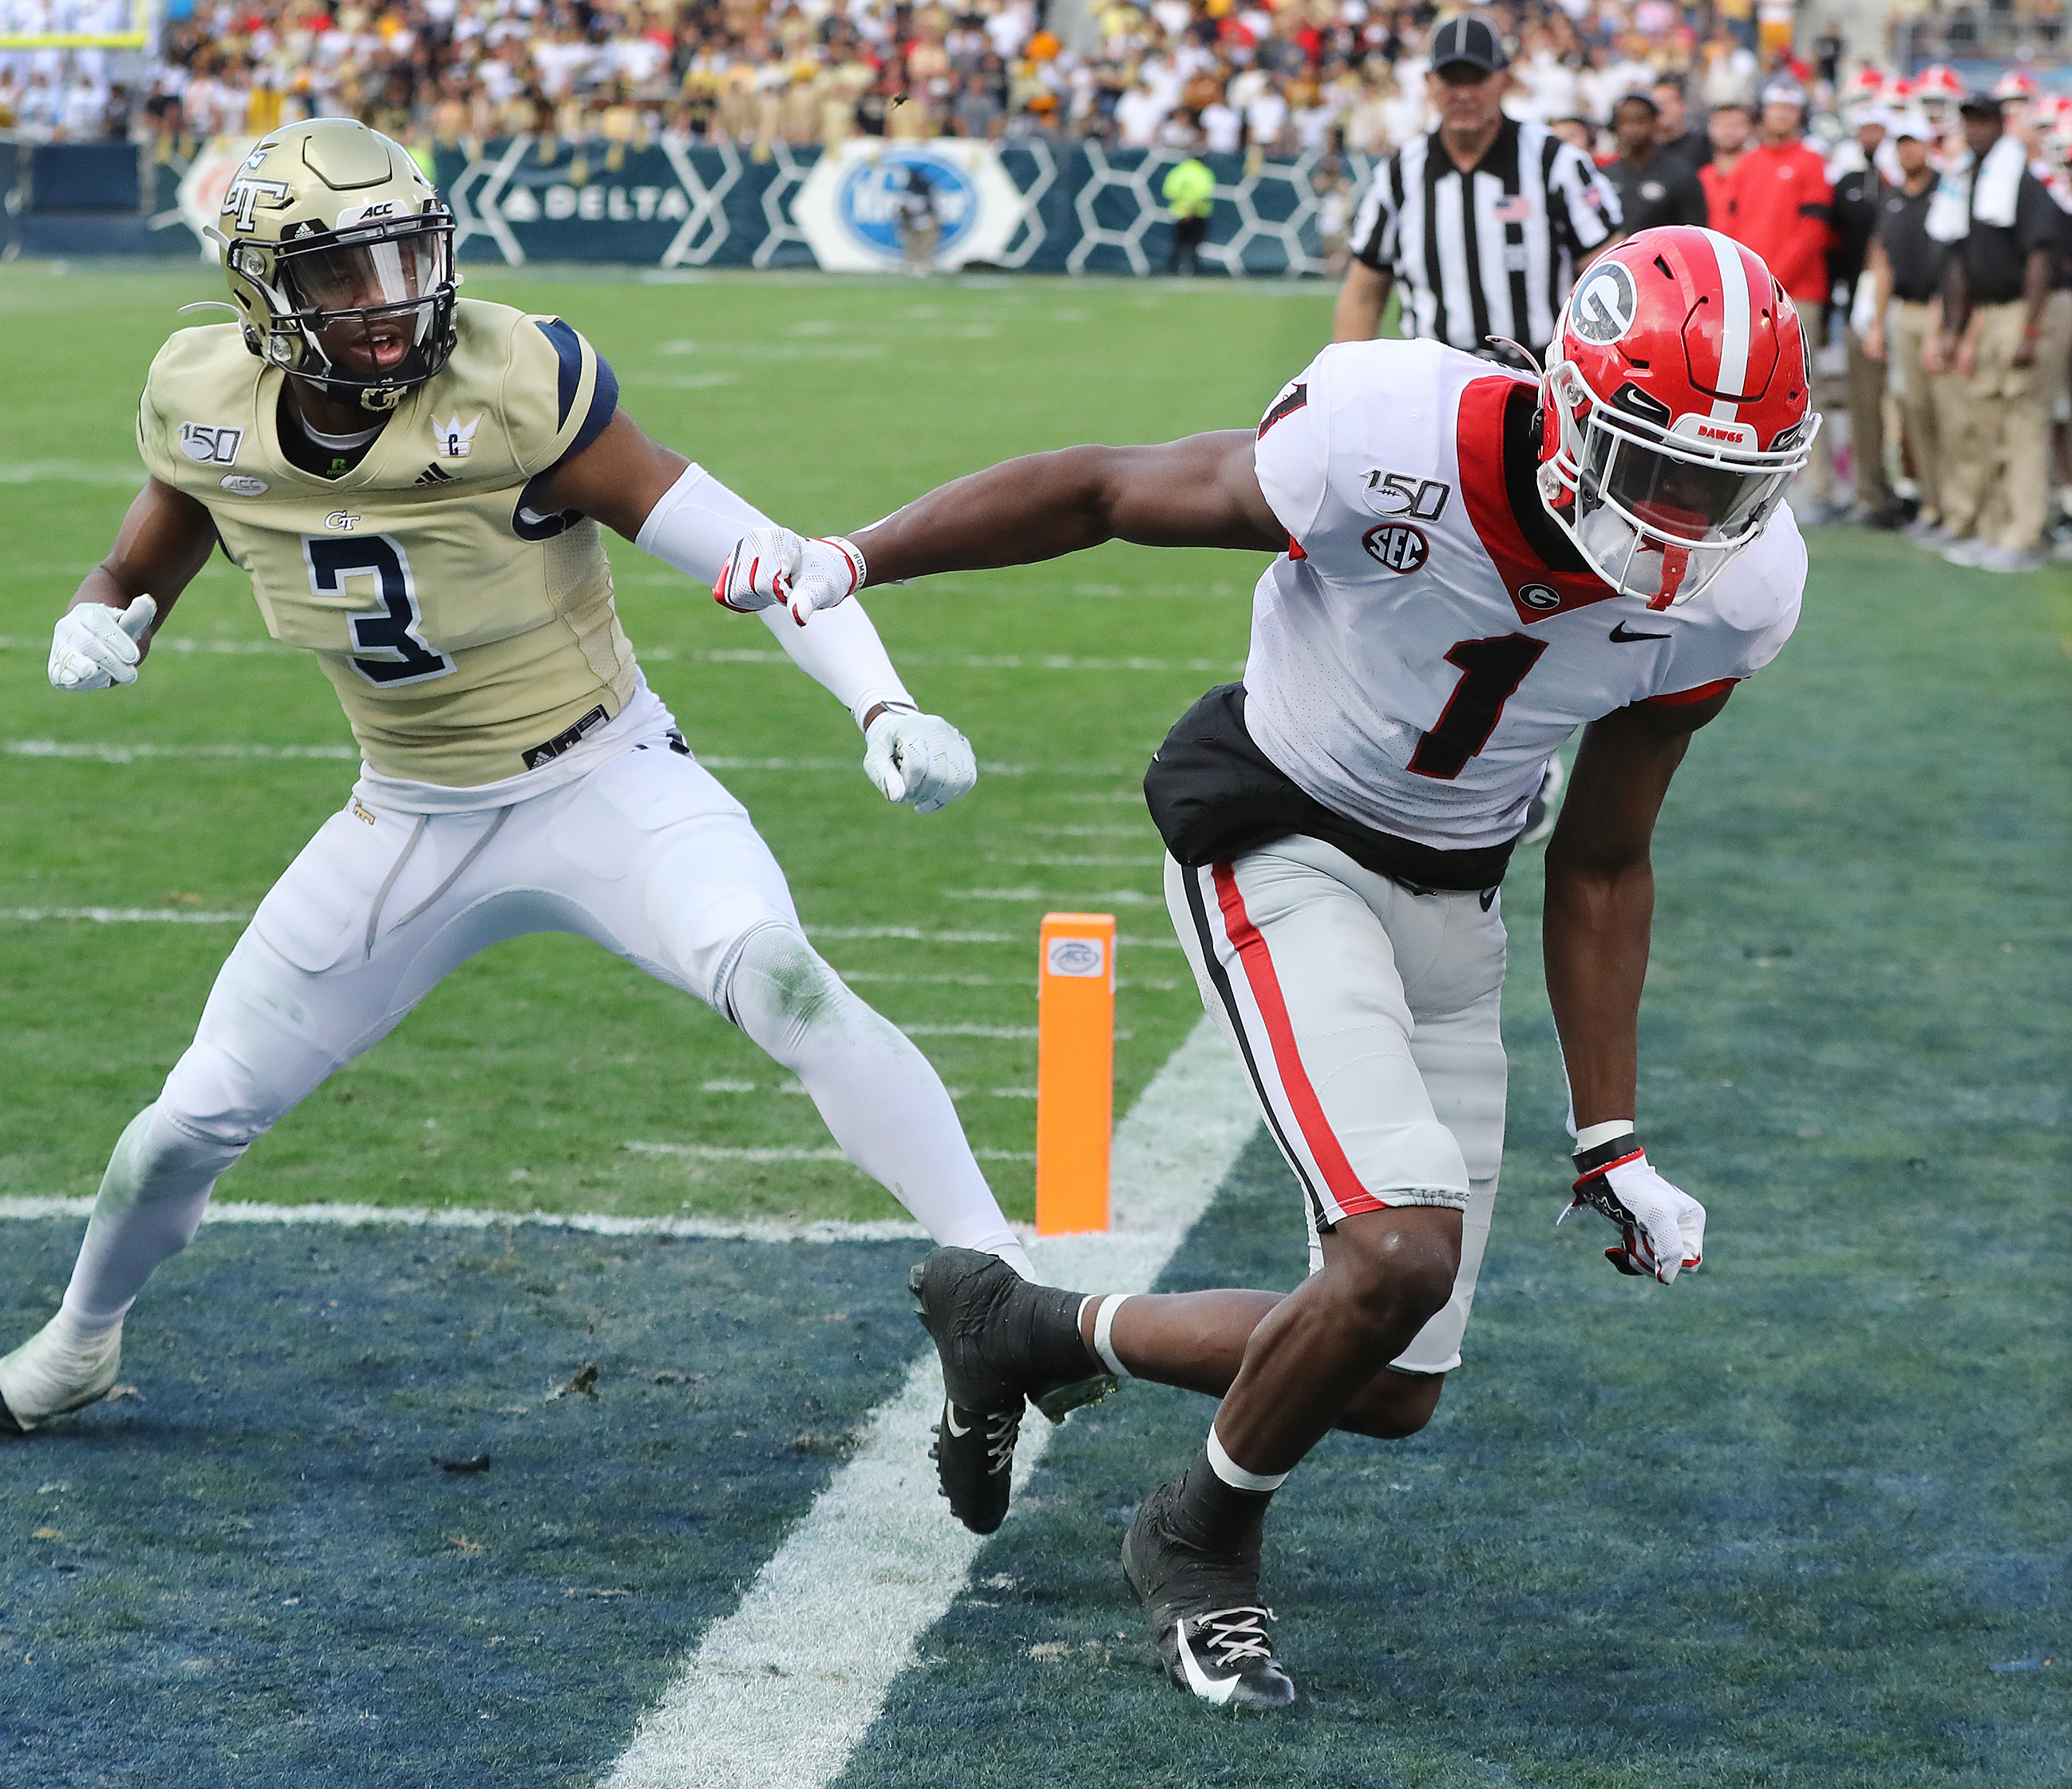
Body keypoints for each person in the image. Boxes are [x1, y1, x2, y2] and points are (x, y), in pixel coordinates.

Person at [725, 224, 1816, 1708]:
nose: (1692, 520)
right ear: (1568, 406)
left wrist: (1611, 1134)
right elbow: (1108, 488)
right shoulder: (1389, 436)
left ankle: (1023, 1326)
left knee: (1392, 1379)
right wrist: (852, 559)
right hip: (1276, 833)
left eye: (1731, 487)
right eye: (1664, 469)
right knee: (1396, 1252)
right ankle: (1198, 1537)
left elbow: (1608, 855)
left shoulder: (1736, 594)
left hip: (1456, 894)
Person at [0, 118, 1046, 1449]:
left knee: (778, 972)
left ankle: (1002, 1280)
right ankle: (75, 1345)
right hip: (408, 811)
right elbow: (145, 557)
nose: (389, 302)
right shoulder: (204, 401)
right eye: (342, 274)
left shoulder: (514, 386)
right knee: (183, 1124)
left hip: (604, 777)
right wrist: (103, 616)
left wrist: (882, 698)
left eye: (404, 258)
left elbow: (757, 557)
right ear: (265, 293)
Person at [1341, 14, 1623, 367]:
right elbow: (1364, 292)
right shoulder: (1400, 174)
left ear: (1505, 80)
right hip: (1434, 385)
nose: (1463, 93)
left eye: (1476, 78)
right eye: (1450, 79)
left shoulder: (1556, 163)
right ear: (1429, 83)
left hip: (1539, 382)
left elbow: (1613, 277)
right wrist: (1351, 378)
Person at [1932, 93, 2072, 572]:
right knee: (1990, 418)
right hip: (1992, 311)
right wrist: (1956, 326)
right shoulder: (1973, 179)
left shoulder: (2023, 180)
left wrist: (2031, 328)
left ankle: (2024, 533)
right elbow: (1963, 262)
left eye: (1983, 121)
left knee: (2025, 420)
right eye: (1969, 121)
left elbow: (2040, 256)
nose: (1974, 130)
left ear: (2000, 124)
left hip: (2031, 306)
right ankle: (1995, 527)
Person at [1718, 81, 1837, 520]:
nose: (1782, 115)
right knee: (1741, 389)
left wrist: (1771, 280)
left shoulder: (1810, 163)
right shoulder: (1748, 165)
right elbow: (1728, 227)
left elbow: (1813, 231)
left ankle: (1818, 486)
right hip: (1750, 295)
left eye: (1790, 107)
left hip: (1795, 295)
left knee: (1804, 390)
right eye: (1776, 107)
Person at [1864, 117, 1947, 537]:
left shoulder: (1945, 191)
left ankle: (1957, 506)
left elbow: (1951, 262)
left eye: (1914, 142)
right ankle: (1932, 506)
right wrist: (1878, 323)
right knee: (1914, 412)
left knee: (1947, 413)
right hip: (1904, 310)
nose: (1908, 151)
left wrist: (1938, 326)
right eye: (1902, 143)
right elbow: (1883, 264)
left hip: (1943, 311)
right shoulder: (1892, 197)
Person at [1829, 106, 1893, 525]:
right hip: (1860, 305)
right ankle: (1871, 493)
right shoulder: (1847, 184)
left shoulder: (1910, 182)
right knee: (1865, 406)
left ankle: (1917, 494)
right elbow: (1833, 245)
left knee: (1915, 409)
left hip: (1913, 303)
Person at [1603, 93, 1710, 235]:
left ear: (1655, 122)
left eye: (1640, 121)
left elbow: (1696, 233)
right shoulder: (1605, 176)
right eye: (1625, 122)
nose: (1633, 129)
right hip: (1616, 256)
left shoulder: (1681, 174)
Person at [1698, 101, 1754, 228]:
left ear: (1749, 128)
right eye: (1723, 125)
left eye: (1736, 125)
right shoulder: (1703, 176)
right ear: (1711, 129)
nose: (1729, 130)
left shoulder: (1760, 173)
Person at [1162, 147, 1215, 275]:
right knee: (1196, 243)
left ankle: (1172, 269)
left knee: (1178, 242)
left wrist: (1183, 209)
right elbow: (1203, 193)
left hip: (1179, 213)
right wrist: (1191, 210)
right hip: (1198, 213)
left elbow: (1169, 192)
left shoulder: (1178, 171)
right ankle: (1195, 269)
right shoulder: (1203, 172)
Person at [898, 161, 940, 275]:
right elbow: (904, 208)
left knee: (925, 244)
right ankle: (911, 264)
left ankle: (924, 264)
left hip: (925, 219)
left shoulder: (926, 188)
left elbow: (932, 207)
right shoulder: (908, 189)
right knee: (912, 243)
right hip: (914, 220)